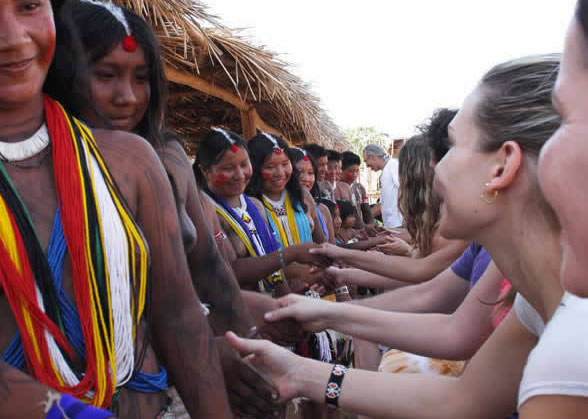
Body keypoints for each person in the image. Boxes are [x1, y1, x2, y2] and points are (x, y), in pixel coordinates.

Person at [227, 54, 568, 418]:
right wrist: (300, 371)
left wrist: (328, 318)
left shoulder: (572, 326)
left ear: (502, 166)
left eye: (453, 147)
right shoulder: (529, 288)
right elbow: (464, 397)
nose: (435, 171)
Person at [46, 3, 290, 417]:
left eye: (141, 78)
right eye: (106, 75)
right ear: (66, 73)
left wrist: (248, 349)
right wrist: (203, 357)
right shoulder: (37, 168)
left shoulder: (166, 155)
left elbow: (209, 269)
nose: (128, 97)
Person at [0, 0, 232, 417]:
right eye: (106, 75)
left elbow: (179, 316)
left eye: (29, 6)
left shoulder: (132, 162)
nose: (13, 37)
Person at [195, 128, 327, 296]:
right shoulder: (205, 209)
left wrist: (287, 305)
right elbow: (231, 271)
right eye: (228, 168)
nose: (239, 175)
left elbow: (274, 266)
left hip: (270, 306)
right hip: (235, 311)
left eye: (244, 165)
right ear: (205, 170)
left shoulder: (255, 206)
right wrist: (291, 254)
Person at [363, 143, 402, 227]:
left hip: (399, 224)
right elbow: (383, 204)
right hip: (392, 226)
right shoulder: (386, 171)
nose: (366, 165)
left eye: (366, 161)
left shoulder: (394, 165)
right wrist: (363, 219)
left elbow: (406, 191)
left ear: (372, 157)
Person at [341, 151, 374, 228]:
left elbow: (367, 213)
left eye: (357, 171)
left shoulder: (360, 188)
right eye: (351, 171)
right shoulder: (338, 190)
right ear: (341, 170)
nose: (355, 175)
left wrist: (372, 225)